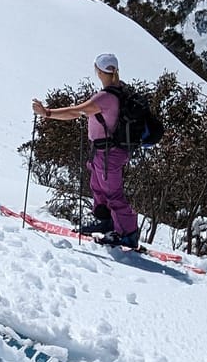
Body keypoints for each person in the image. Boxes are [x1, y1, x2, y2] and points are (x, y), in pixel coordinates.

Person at [32, 53, 141, 249]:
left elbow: (75, 111)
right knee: (98, 187)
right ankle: (107, 223)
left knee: (113, 193)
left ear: (99, 71)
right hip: (105, 152)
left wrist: (47, 113)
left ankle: (127, 234)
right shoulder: (119, 90)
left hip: (108, 153)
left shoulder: (105, 97)